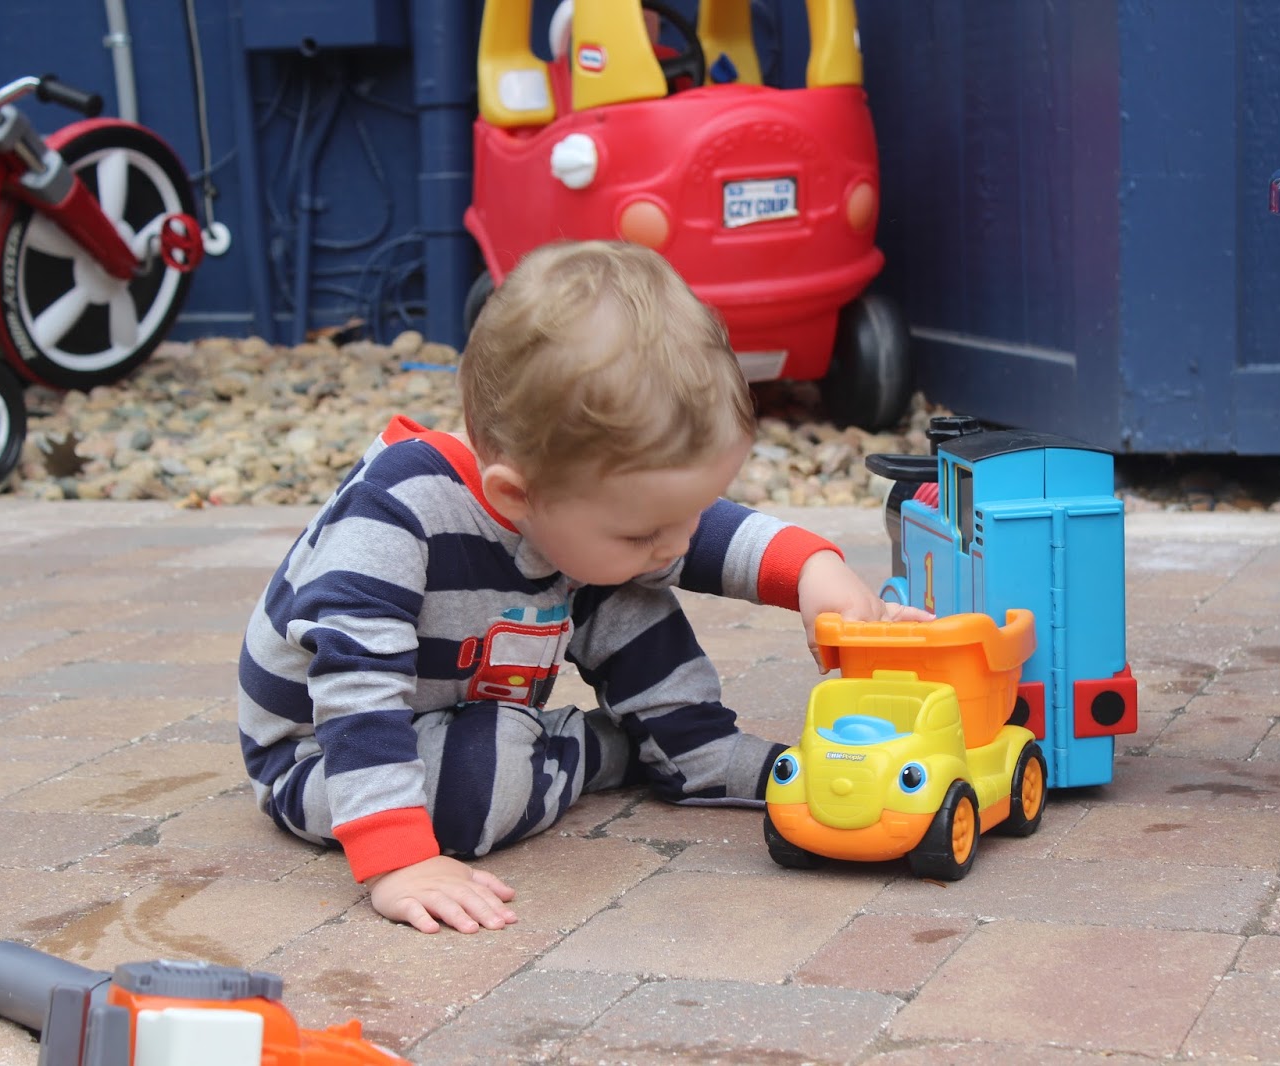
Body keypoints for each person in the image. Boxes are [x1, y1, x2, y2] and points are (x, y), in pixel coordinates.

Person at [237, 240, 928, 934]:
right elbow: (356, 686)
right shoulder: (394, 515)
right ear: (514, 495)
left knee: (625, 581)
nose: (679, 542)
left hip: (463, 696)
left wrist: (811, 571)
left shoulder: (581, 498)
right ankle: (601, 751)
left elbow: (700, 536)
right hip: (329, 753)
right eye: (645, 529)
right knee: (476, 790)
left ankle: (698, 752)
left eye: (690, 512)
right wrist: (398, 859)